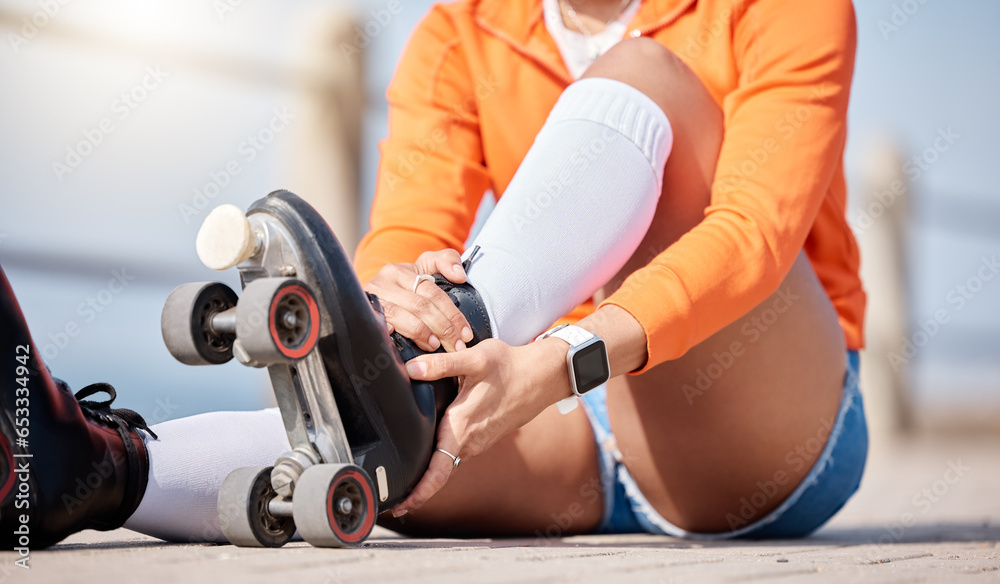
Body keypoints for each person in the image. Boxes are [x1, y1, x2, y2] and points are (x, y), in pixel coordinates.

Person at [0, 0, 867, 546]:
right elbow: (407, 232)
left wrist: (561, 356)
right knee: (391, 459)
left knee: (645, 75)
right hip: (576, 434)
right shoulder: (460, 29)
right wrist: (400, 295)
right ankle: (88, 470)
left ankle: (412, 359)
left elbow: (753, 236)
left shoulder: (784, 7)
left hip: (766, 421)